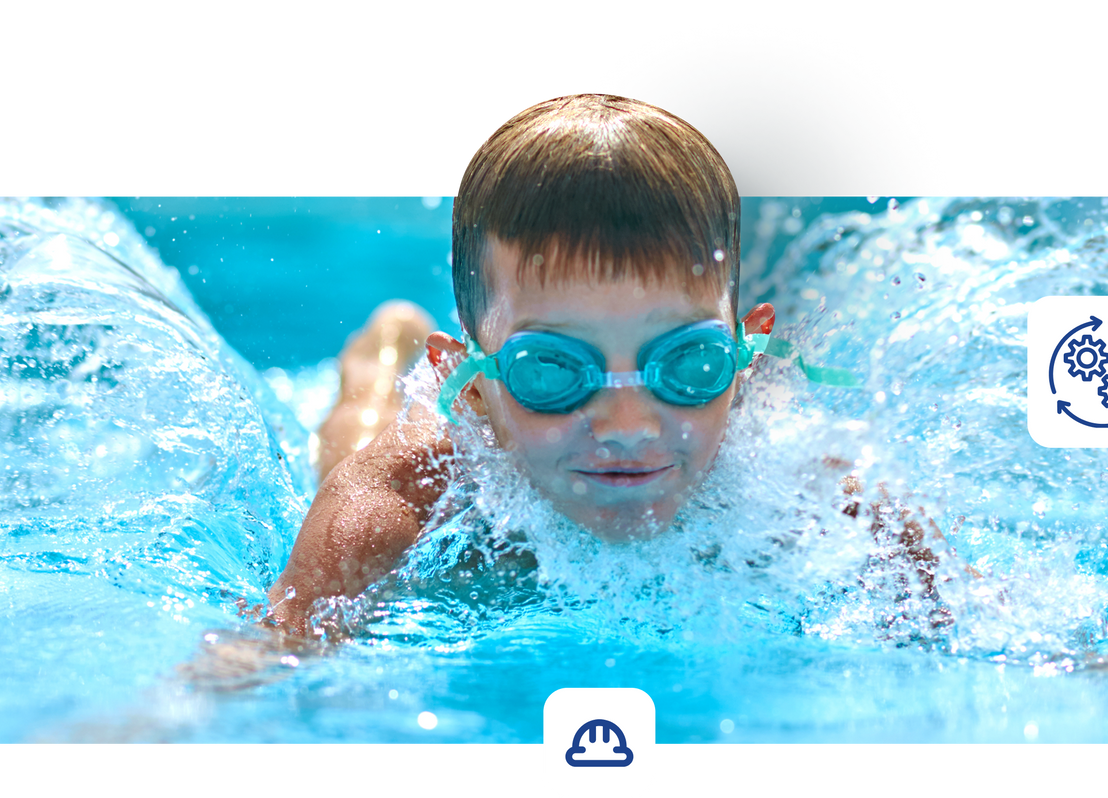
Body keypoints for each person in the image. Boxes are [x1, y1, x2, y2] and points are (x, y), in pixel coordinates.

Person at [260, 91, 959, 638]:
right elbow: (257, 661)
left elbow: (985, 623)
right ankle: (387, 348)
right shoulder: (400, 500)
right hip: (426, 446)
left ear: (743, 360)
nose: (627, 426)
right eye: (552, 370)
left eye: (689, 364)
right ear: (469, 382)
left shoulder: (815, 490)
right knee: (358, 435)